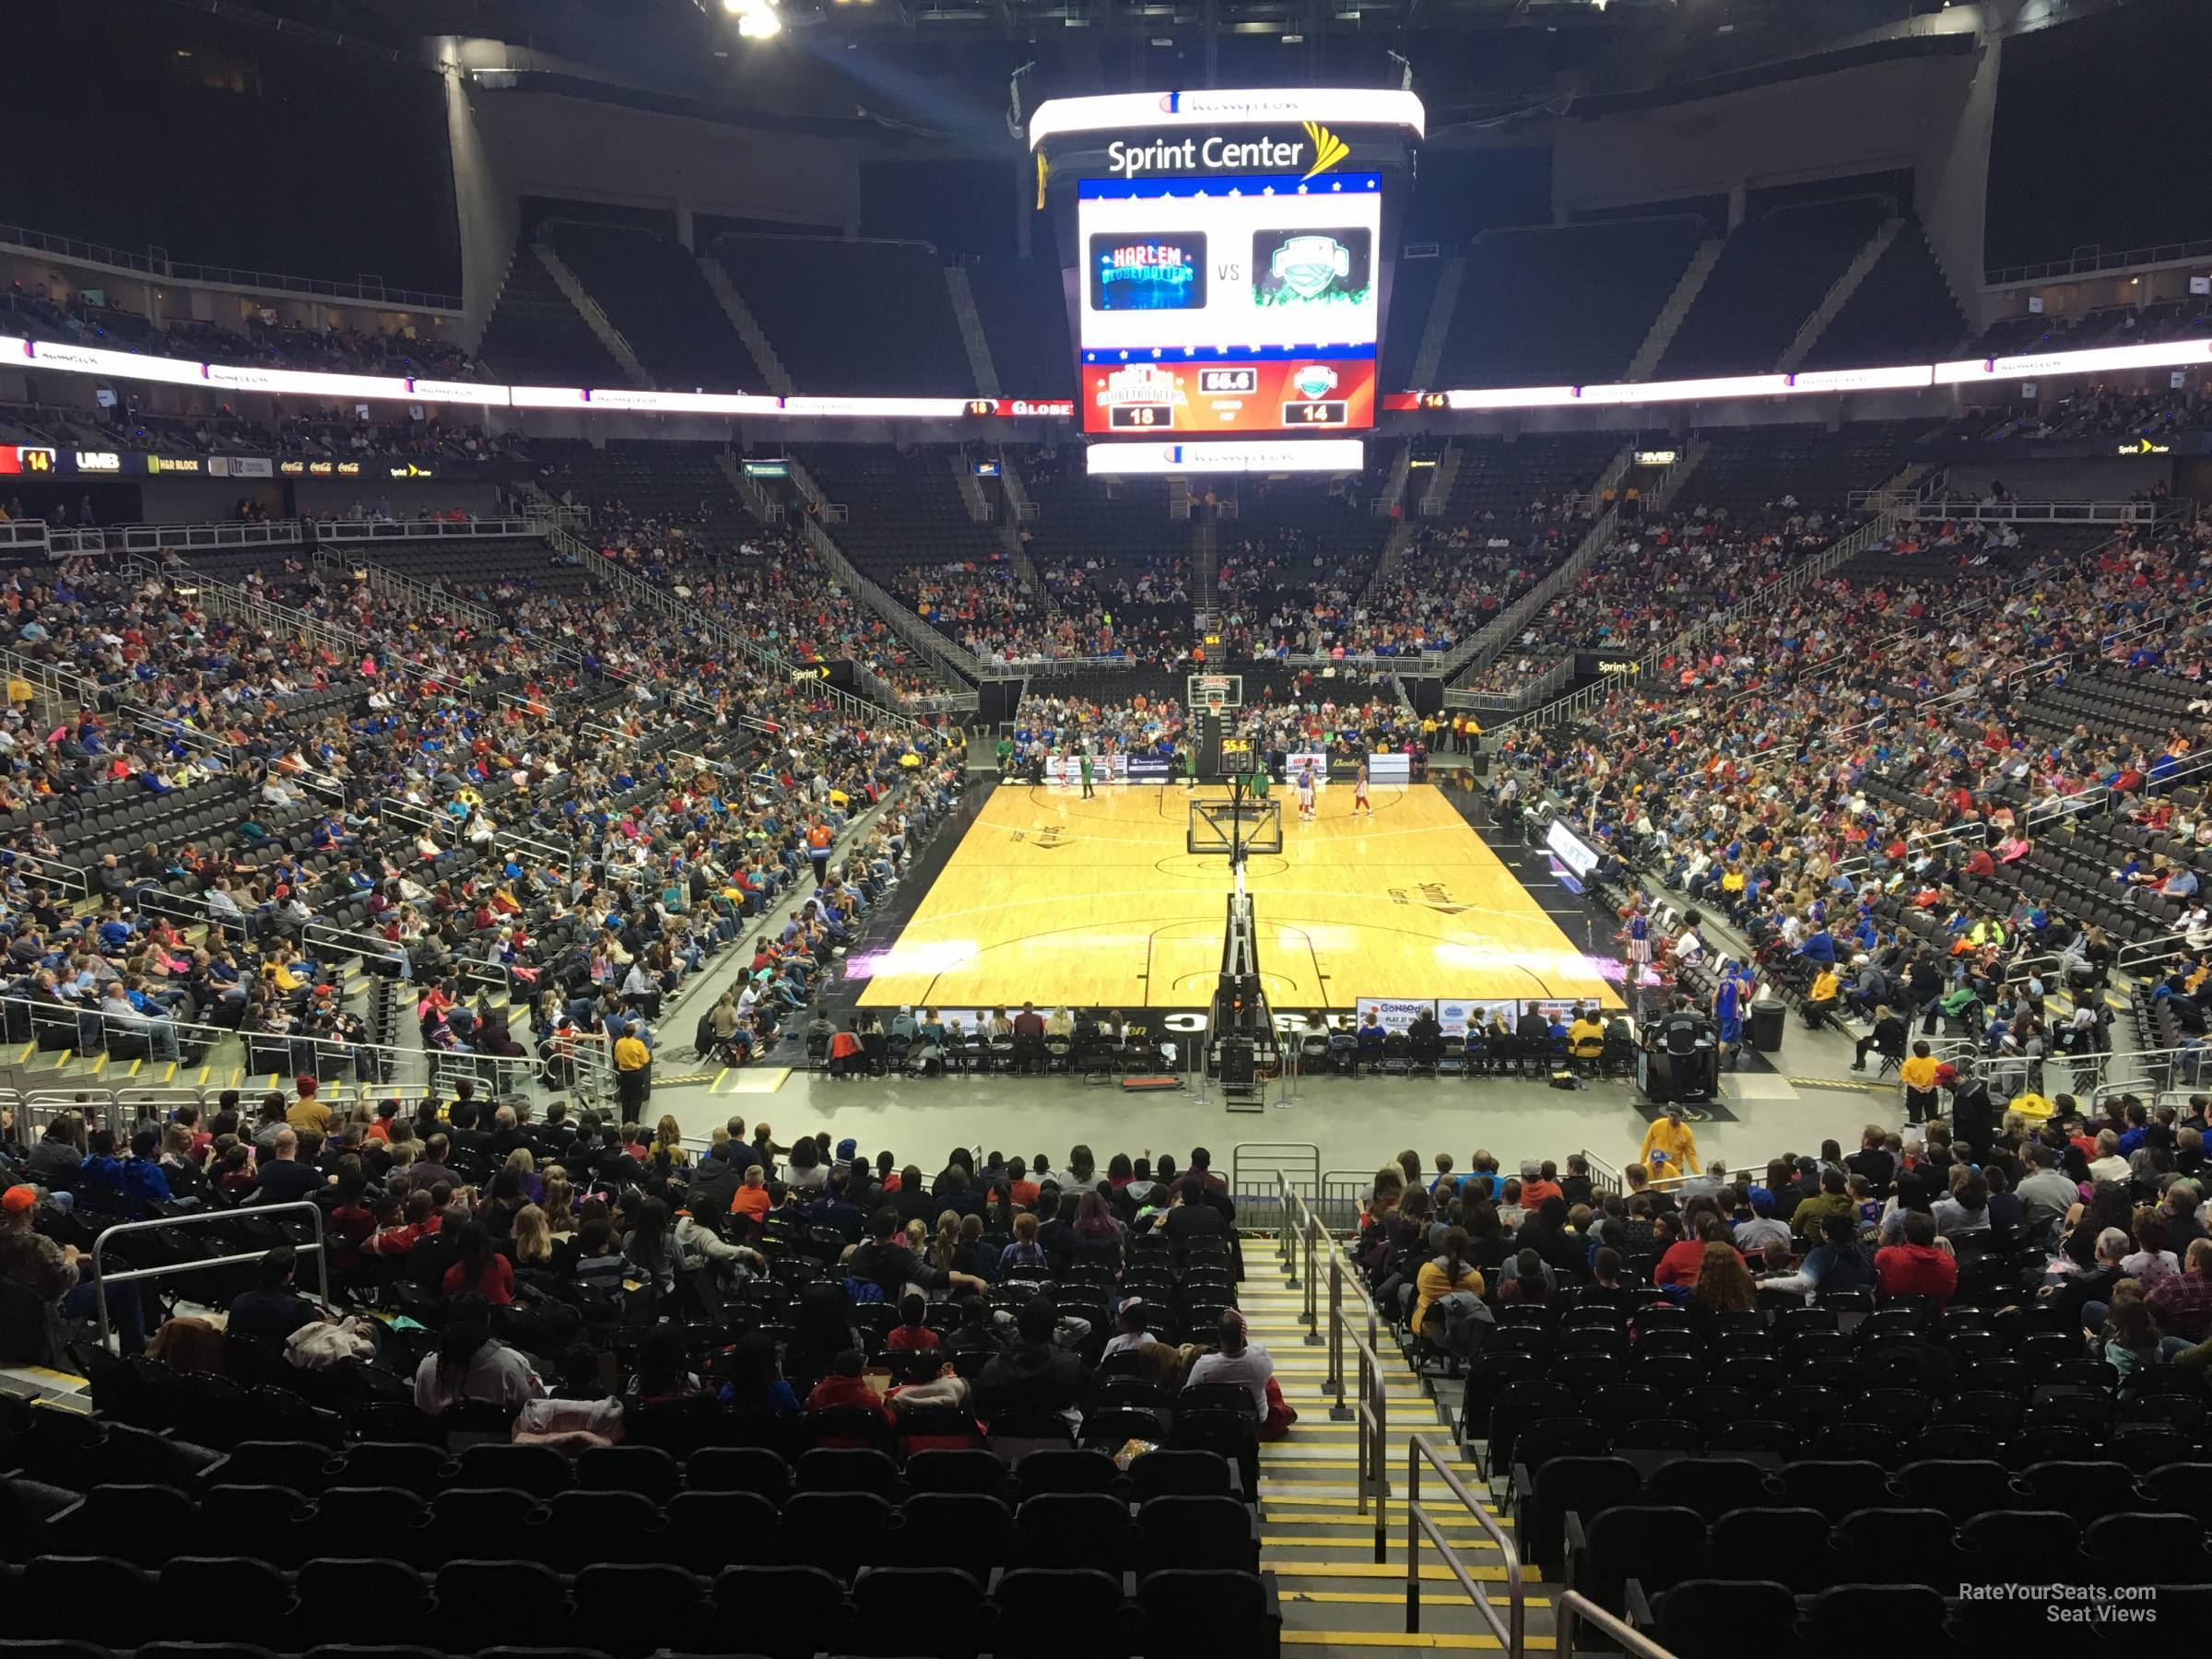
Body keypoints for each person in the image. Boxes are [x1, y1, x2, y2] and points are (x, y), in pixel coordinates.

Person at [0, 1183, 145, 1359]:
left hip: (16, 1300)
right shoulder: (38, 1243)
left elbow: (38, 1263)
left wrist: (76, 1258)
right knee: (126, 1284)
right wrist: (71, 1257)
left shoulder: (11, 1238)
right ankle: (133, 1353)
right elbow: (66, 1278)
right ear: (30, 1208)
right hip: (51, 1304)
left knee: (92, 1270)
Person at [411, 1298, 547, 1417]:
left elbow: (422, 1414)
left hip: (440, 1444)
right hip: (499, 1443)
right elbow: (536, 1406)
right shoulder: (510, 1364)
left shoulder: (426, 1366)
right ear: (487, 1321)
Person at [227, 1244, 330, 1344]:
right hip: (278, 1360)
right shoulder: (299, 1309)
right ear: (290, 1274)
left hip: (238, 1360)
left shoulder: (239, 1301)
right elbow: (321, 1340)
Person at [1875, 1211, 1958, 1307]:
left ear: (1906, 1236)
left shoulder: (1886, 1255)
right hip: (1934, 1317)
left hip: (1892, 1313)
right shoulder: (1948, 1262)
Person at [1638, 1103, 1701, 1175]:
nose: (1672, 1118)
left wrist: (1698, 1173)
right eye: (1671, 1115)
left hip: (1675, 1169)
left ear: (1681, 1117)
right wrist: (1642, 1163)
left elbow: (1691, 1155)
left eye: (1676, 1116)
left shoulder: (1687, 1132)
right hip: (1656, 1166)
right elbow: (1647, 1143)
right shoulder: (1657, 1124)